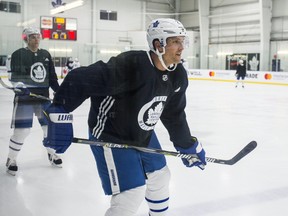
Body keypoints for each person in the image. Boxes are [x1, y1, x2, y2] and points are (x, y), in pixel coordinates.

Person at [44, 18, 206, 216]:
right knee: (131, 192)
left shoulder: (178, 75)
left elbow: (173, 114)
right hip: (111, 133)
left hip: (143, 133)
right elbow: (80, 78)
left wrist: (186, 144)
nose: (182, 47)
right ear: (158, 45)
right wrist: (60, 111)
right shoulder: (131, 66)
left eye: (183, 41)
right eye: (175, 42)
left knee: (161, 177)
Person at [6, 27, 62, 176]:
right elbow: (14, 77)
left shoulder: (45, 54)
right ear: (26, 39)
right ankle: (11, 159)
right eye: (33, 37)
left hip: (43, 98)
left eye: (38, 37)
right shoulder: (18, 55)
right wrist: (19, 86)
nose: (36, 39)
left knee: (49, 128)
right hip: (25, 98)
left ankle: (52, 153)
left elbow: (52, 76)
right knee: (22, 131)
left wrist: (58, 90)